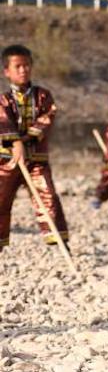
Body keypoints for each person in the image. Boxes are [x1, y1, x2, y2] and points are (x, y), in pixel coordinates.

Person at [0, 44, 69, 252]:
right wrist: (16, 143)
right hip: (8, 161)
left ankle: (60, 243)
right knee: (1, 201)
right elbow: (3, 123)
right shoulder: (3, 100)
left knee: (48, 197)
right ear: (7, 71)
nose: (23, 70)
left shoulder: (43, 96)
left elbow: (48, 117)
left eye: (27, 65)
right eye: (18, 66)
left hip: (36, 160)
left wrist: (25, 138)